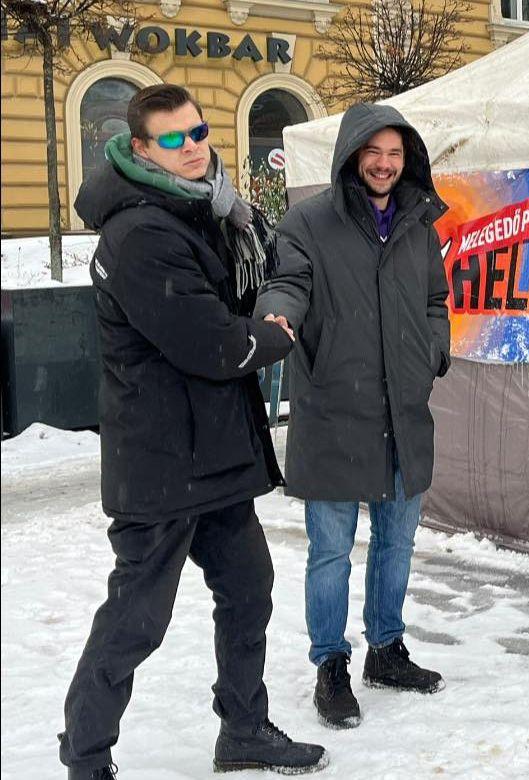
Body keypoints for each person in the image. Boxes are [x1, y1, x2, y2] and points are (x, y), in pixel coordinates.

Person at [60, 84, 327, 779]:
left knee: (248, 587)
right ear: (140, 147)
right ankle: (86, 757)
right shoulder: (142, 231)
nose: (195, 145)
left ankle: (243, 728)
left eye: (200, 130)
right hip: (160, 462)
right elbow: (212, 344)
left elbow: (235, 291)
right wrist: (273, 334)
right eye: (175, 138)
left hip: (210, 452)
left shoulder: (200, 210)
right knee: (137, 619)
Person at [255, 102, 451, 730]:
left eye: (395, 154)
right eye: (374, 152)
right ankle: (331, 664)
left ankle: (387, 650)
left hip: (404, 408)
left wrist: (433, 350)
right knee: (331, 553)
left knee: (397, 542)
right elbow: (288, 281)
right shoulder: (309, 221)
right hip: (336, 407)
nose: (385, 164)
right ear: (350, 155)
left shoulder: (420, 222)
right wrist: (278, 314)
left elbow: (434, 298)